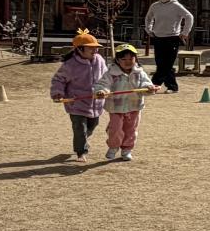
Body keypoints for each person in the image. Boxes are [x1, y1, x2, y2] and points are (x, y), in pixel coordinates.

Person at [49, 30, 108, 162]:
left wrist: (105, 90)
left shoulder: (99, 60)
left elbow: (106, 77)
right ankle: (81, 152)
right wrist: (57, 93)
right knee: (79, 128)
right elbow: (58, 80)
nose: (95, 51)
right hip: (76, 103)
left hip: (96, 102)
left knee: (93, 124)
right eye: (91, 48)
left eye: (96, 48)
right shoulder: (70, 64)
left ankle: (82, 140)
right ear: (80, 49)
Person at [96, 43, 157, 161]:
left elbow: (145, 84)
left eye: (131, 59)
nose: (128, 62)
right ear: (118, 60)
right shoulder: (111, 73)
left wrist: (148, 88)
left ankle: (127, 149)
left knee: (131, 129)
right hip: (116, 107)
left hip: (134, 106)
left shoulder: (139, 72)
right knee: (115, 129)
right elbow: (103, 84)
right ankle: (113, 147)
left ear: (136, 59)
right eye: (124, 59)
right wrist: (102, 91)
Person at [144, 0, 194, 94]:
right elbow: (148, 18)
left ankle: (154, 84)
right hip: (158, 37)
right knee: (160, 62)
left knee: (167, 63)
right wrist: (149, 29)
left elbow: (189, 16)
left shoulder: (176, 5)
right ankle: (172, 86)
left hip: (172, 38)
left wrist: (185, 32)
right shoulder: (155, 6)